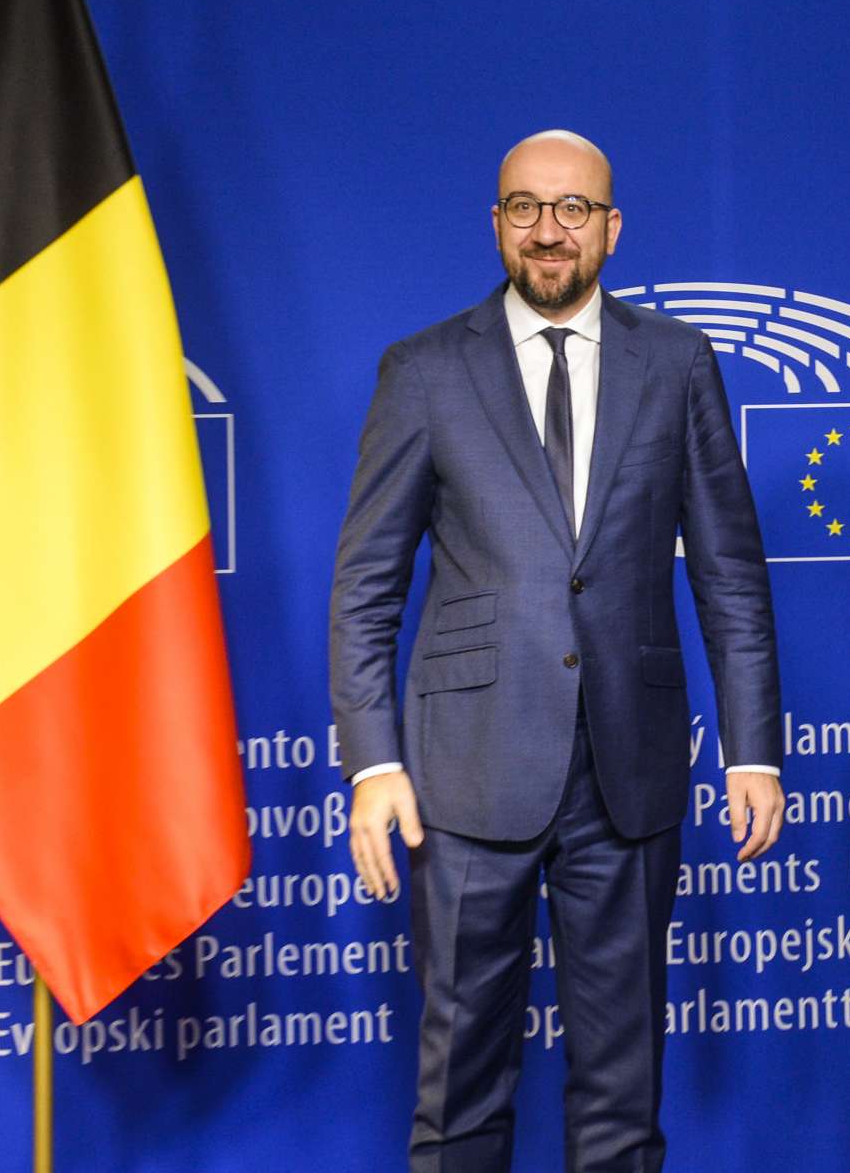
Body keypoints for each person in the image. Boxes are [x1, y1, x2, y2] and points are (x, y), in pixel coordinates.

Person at [329, 129, 784, 1173]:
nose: (549, 230)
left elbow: (731, 573)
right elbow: (366, 584)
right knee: (458, 1086)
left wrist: (752, 750)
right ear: (495, 223)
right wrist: (374, 761)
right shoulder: (425, 370)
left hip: (627, 772)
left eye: (573, 209)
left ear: (612, 228)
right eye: (526, 207)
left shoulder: (677, 364)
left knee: (623, 1091)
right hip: (466, 774)